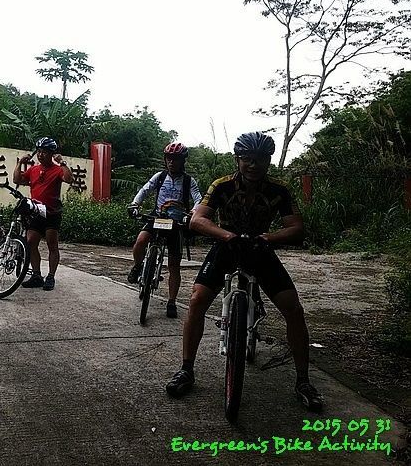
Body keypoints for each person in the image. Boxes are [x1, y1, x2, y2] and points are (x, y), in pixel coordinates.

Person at [165, 131, 323, 411]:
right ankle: (186, 369)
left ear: (268, 161)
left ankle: (303, 380)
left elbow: (296, 227)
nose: (253, 165)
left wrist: (268, 238)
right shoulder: (221, 185)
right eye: (247, 159)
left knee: (293, 308)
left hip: (261, 248)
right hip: (227, 246)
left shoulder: (279, 190)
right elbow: (198, 220)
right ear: (237, 160)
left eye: (260, 159)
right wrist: (227, 236)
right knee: (197, 300)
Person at [126, 142, 202, 318]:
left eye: (175, 159)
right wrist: (135, 204)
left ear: (182, 161)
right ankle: (137, 267)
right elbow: (145, 190)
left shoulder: (189, 181)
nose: (171, 162)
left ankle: (172, 301)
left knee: (174, 265)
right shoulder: (160, 177)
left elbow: (198, 199)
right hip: (157, 217)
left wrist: (193, 212)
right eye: (169, 158)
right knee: (140, 241)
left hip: (176, 222)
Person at [12, 136, 73, 291]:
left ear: (51, 154)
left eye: (44, 152)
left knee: (52, 244)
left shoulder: (57, 170)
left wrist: (62, 162)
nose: (40, 155)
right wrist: (20, 163)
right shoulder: (33, 169)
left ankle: (51, 276)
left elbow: (69, 179)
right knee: (31, 242)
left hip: (52, 212)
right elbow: (17, 179)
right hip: (36, 212)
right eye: (39, 151)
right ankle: (37, 275)